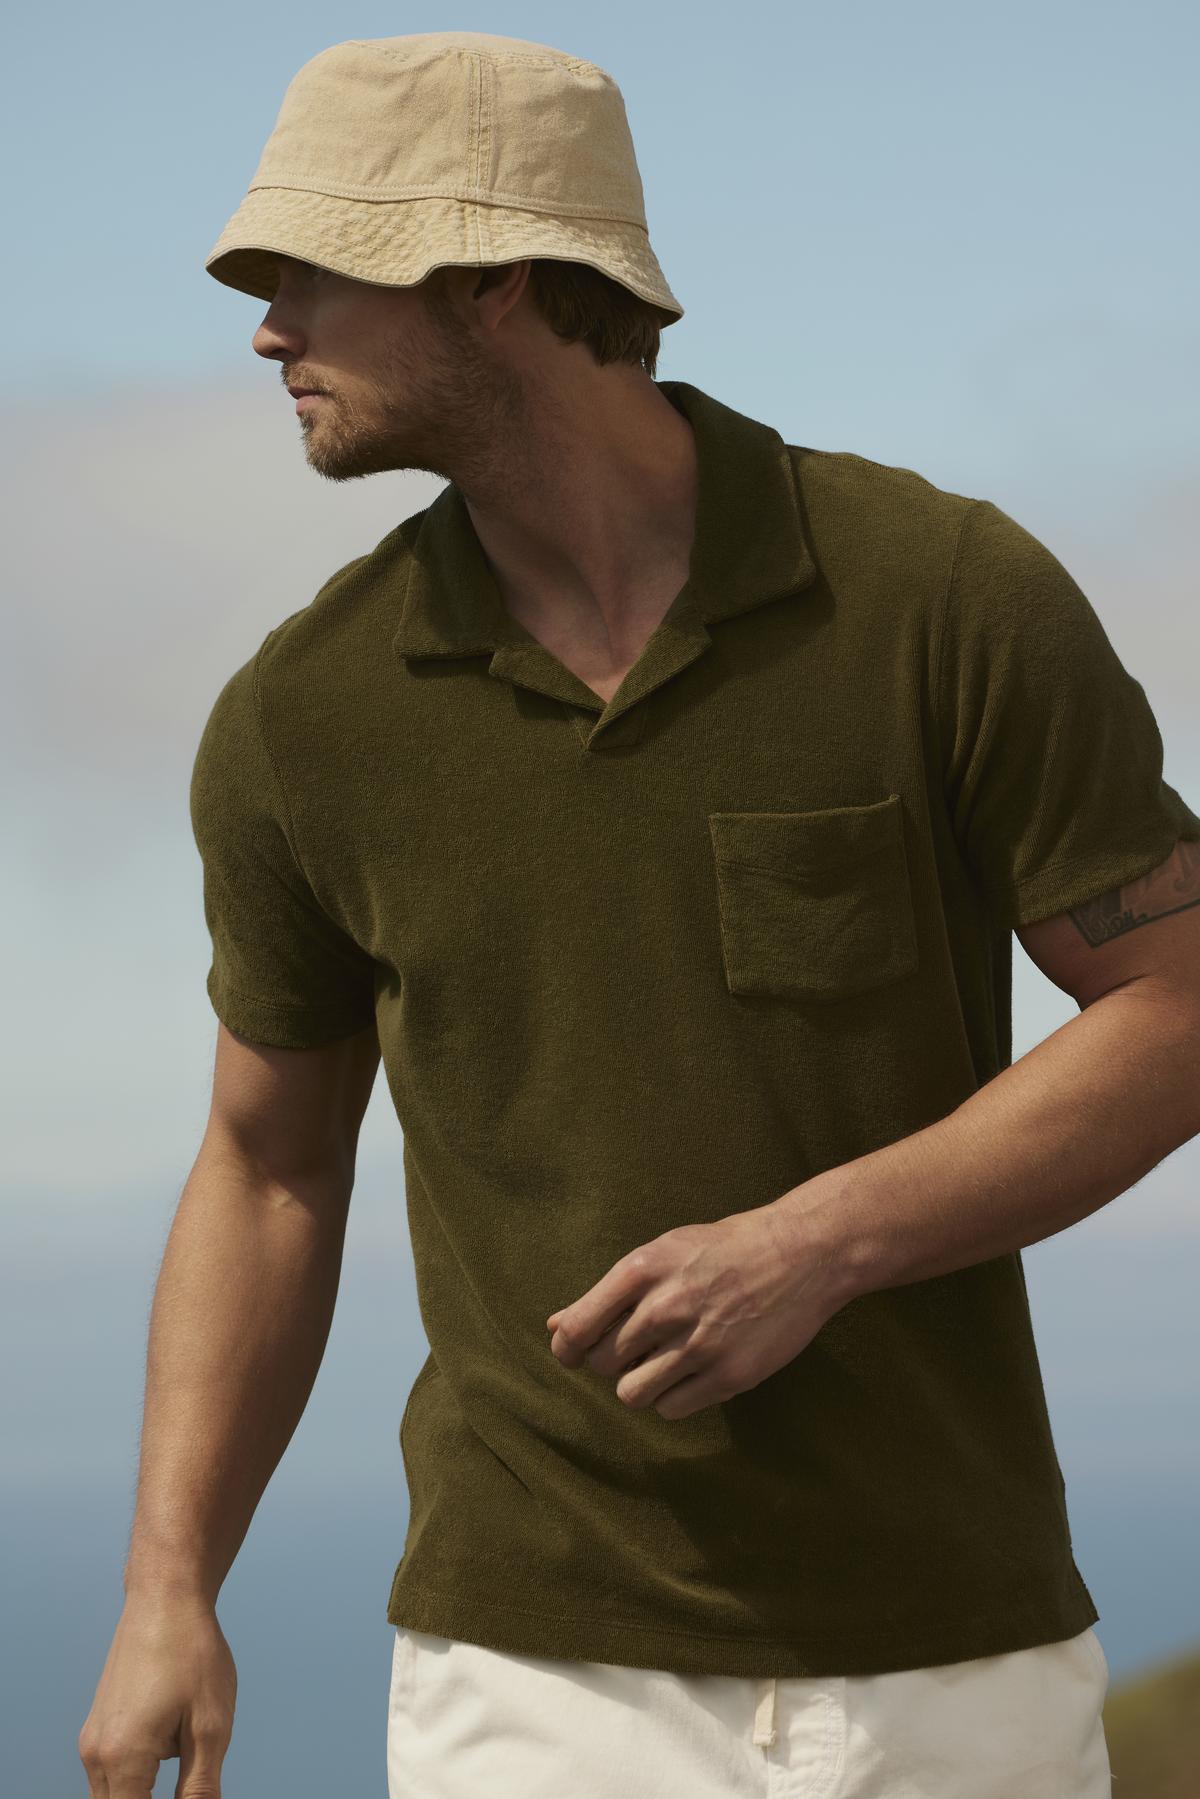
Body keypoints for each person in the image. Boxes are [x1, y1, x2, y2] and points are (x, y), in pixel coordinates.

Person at [79, 30, 1200, 1799]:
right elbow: (268, 1164)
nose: (266, 327)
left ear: (496, 279)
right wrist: (166, 1591)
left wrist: (821, 1240)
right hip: (526, 1681)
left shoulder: (943, 602)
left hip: (957, 1656)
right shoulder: (303, 720)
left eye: (311, 270)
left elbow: (1175, 1004)